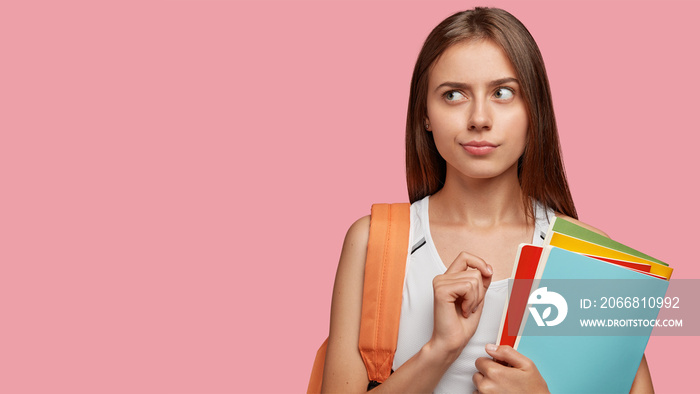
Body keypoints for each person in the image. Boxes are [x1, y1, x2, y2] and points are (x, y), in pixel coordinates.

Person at [321, 7, 653, 393]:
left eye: (503, 92)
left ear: (534, 110)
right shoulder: (374, 242)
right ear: (424, 114)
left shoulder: (589, 255)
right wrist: (440, 350)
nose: (479, 118)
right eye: (454, 94)